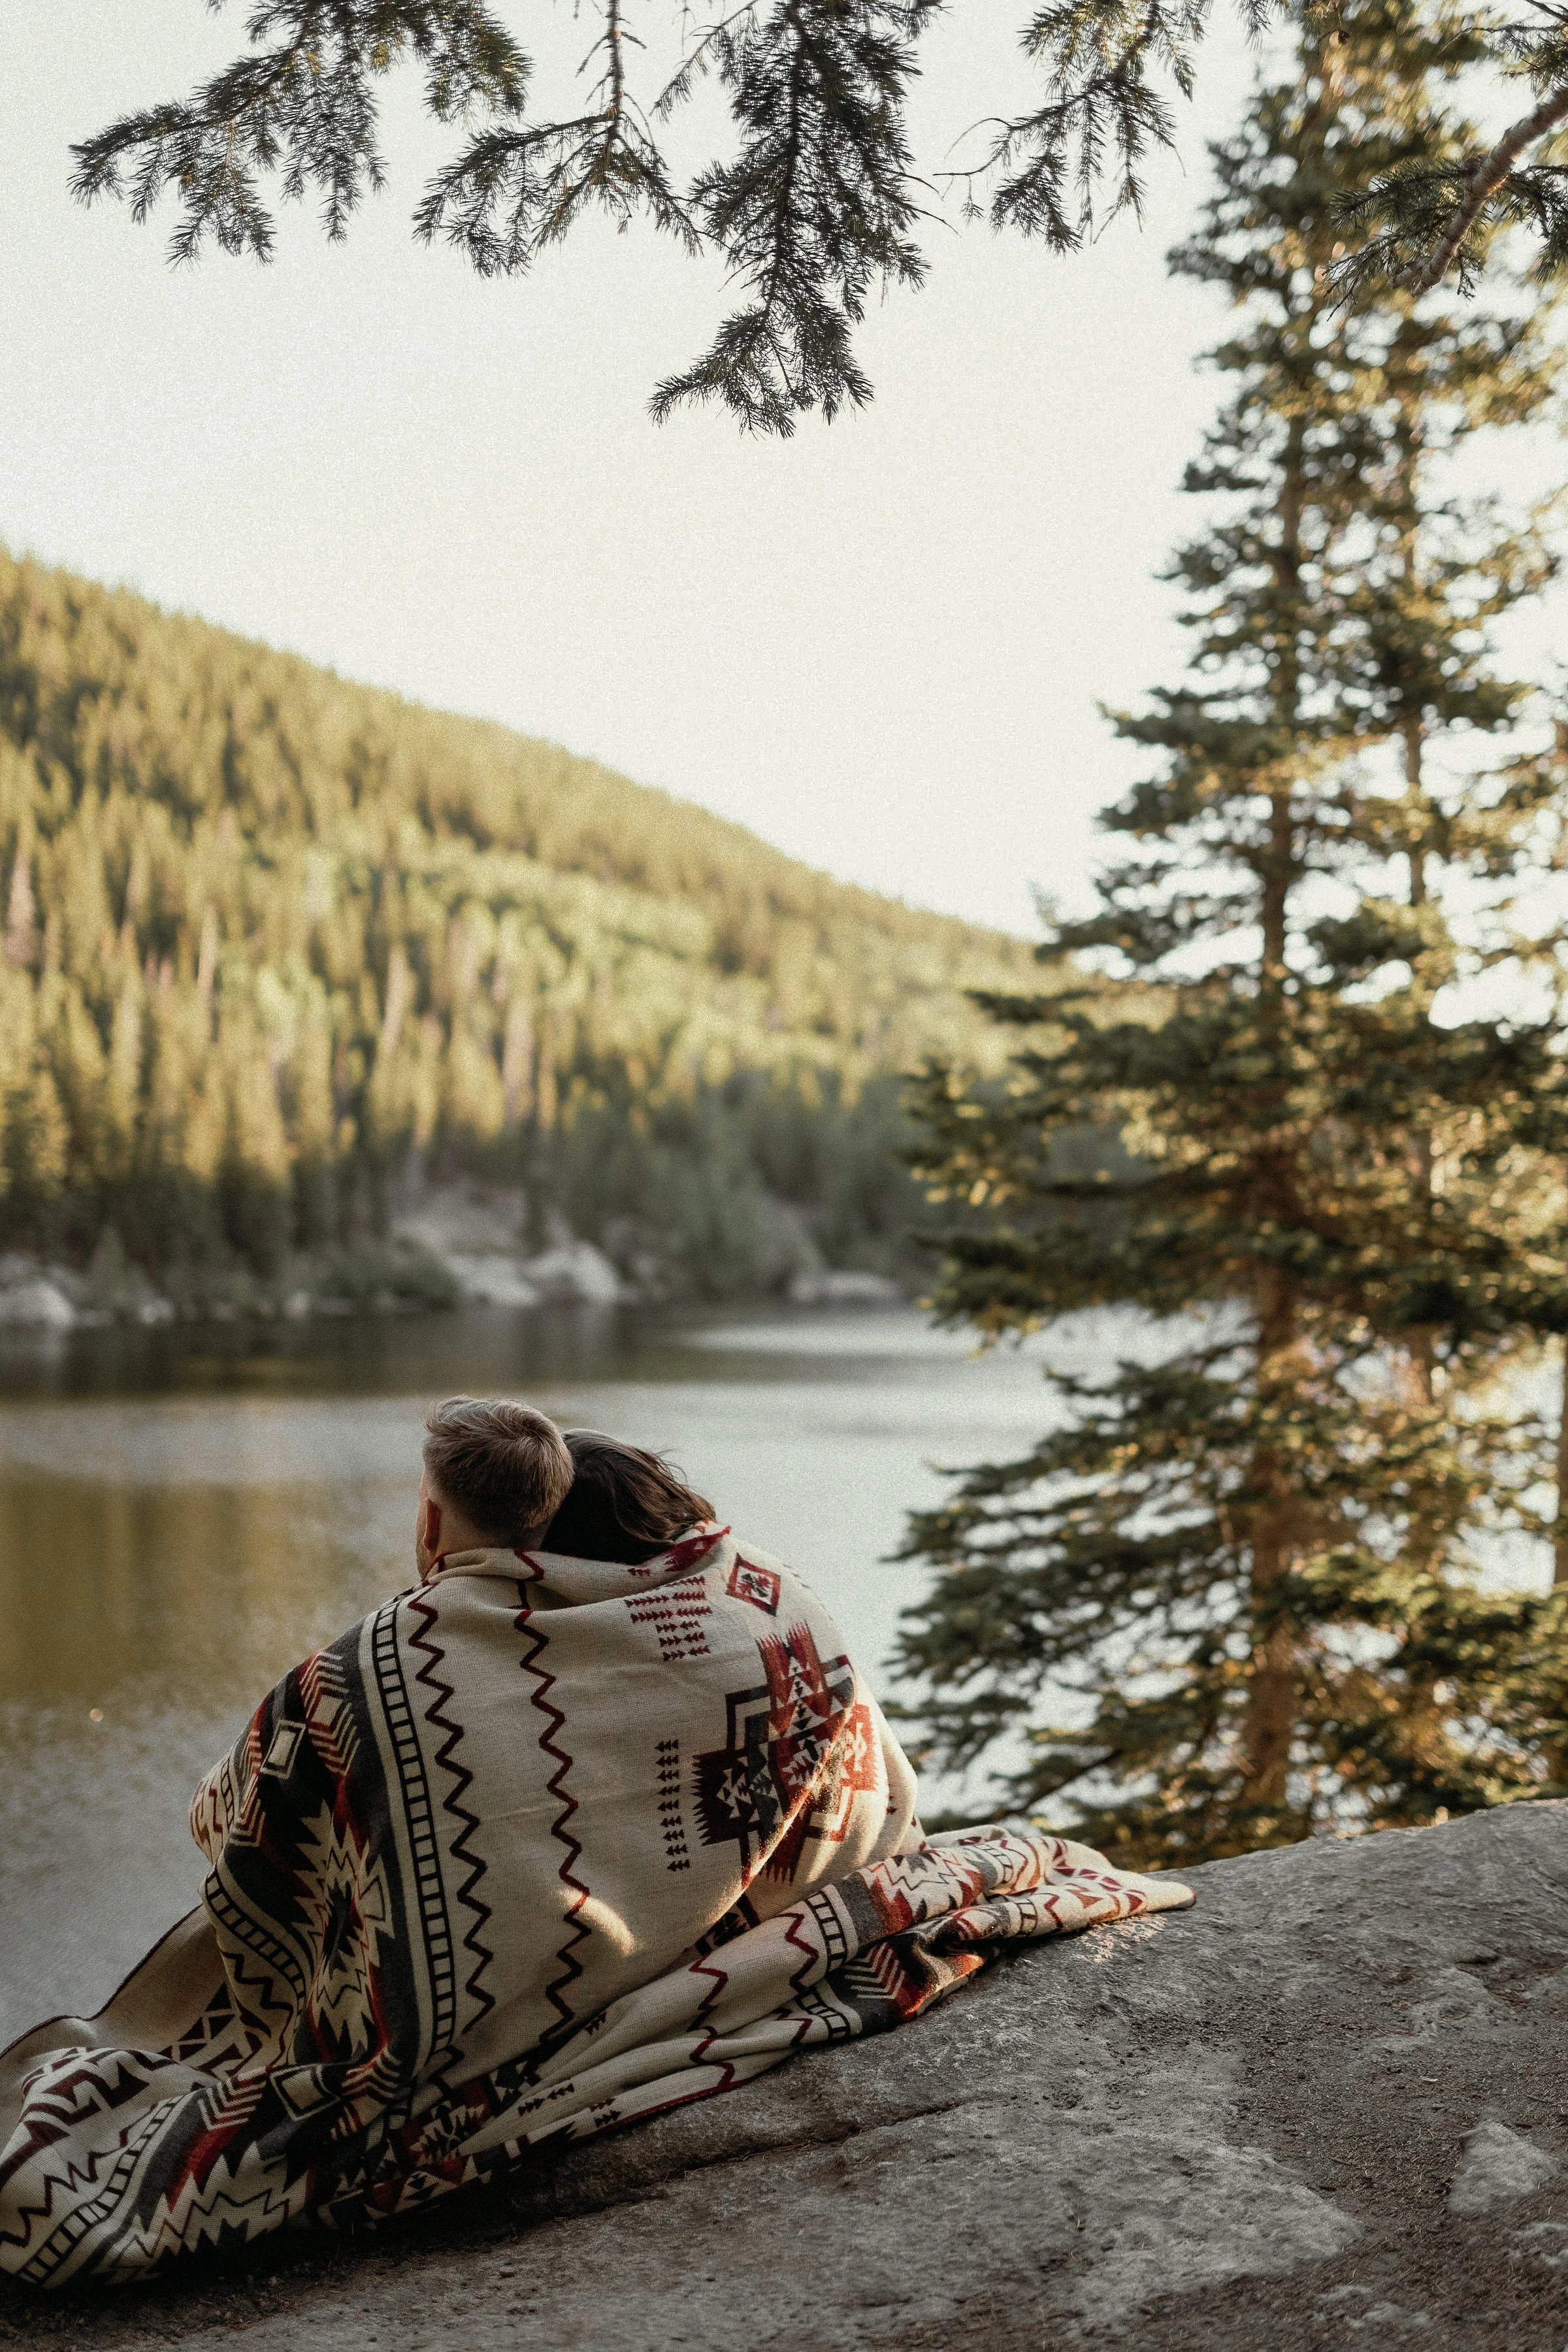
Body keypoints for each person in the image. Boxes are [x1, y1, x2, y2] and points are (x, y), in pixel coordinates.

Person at [0, 1396, 1190, 2289]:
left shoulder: (375, 1675)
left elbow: (247, 1854)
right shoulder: (778, 1615)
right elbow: (876, 1821)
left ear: (450, 1523)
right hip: (744, 1943)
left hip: (442, 2052)